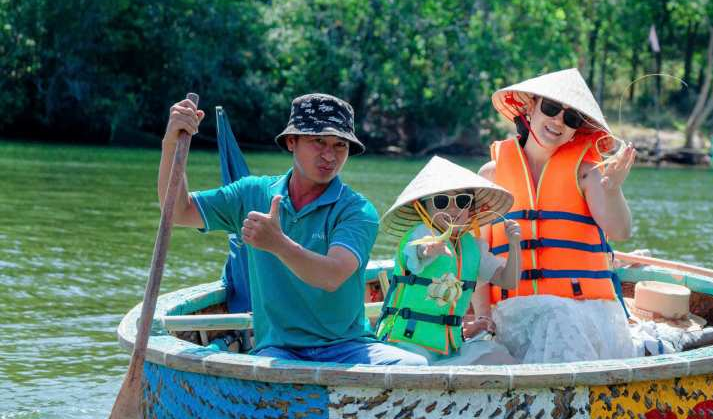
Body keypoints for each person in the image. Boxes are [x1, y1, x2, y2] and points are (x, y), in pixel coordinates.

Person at [159, 93, 427, 366]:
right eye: (318, 141)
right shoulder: (252, 193)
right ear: (291, 141)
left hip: (347, 347)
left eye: (340, 145)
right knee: (267, 372)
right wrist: (171, 143)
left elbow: (332, 275)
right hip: (278, 350)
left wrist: (278, 243)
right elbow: (179, 211)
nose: (329, 155)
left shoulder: (357, 210)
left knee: (413, 366)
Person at [473, 68, 638, 363]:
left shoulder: (589, 172)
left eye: (571, 118)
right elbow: (477, 257)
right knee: (551, 318)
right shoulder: (491, 176)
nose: (559, 121)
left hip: (582, 311)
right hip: (512, 315)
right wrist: (483, 317)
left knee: (557, 316)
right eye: (551, 108)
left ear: (576, 129)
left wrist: (612, 189)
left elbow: (621, 231)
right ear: (530, 106)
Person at [375, 156, 520, 365]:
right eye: (442, 201)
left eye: (462, 201)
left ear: (470, 208)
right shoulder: (419, 235)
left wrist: (514, 245)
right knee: (416, 365)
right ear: (424, 207)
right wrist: (428, 250)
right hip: (406, 343)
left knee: (500, 357)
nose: (453, 209)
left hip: (451, 346)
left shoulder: (473, 247)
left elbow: (509, 281)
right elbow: (416, 252)